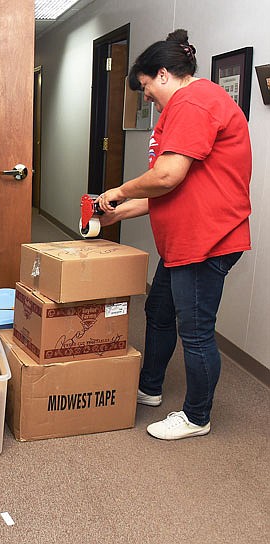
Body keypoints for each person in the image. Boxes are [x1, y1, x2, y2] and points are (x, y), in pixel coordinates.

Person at [96, 29, 252, 440]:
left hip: (207, 239)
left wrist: (119, 190)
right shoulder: (182, 106)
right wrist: (118, 213)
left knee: (196, 331)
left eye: (146, 86)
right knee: (160, 311)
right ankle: (149, 388)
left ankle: (197, 417)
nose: (146, 96)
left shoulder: (195, 101)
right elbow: (169, 189)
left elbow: (166, 175)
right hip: (184, 240)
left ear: (163, 74)